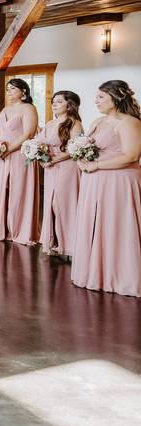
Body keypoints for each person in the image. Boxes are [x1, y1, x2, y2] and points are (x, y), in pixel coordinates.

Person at [71, 80, 141, 297]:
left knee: (115, 225)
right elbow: (87, 146)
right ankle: (95, 272)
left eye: (101, 96)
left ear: (117, 97)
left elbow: (131, 155)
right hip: (94, 180)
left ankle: (120, 275)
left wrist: (96, 165)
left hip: (119, 181)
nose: (96, 100)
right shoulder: (98, 121)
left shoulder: (129, 122)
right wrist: (80, 159)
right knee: (94, 223)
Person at [0, 79, 40, 245]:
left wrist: (8, 149)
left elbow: (28, 134)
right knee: (2, 190)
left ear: (23, 91)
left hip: (19, 153)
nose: (9, 92)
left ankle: (19, 229)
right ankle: (2, 227)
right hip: (2, 154)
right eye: (7, 89)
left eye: (12, 89)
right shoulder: (5, 109)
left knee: (18, 190)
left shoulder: (28, 108)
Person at [38, 91, 83, 258]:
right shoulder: (50, 123)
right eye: (53, 102)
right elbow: (40, 143)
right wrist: (37, 154)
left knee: (63, 204)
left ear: (69, 105)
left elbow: (74, 149)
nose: (54, 105)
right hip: (50, 168)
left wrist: (54, 160)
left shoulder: (74, 124)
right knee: (50, 204)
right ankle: (54, 242)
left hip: (67, 167)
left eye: (59, 102)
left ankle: (70, 244)